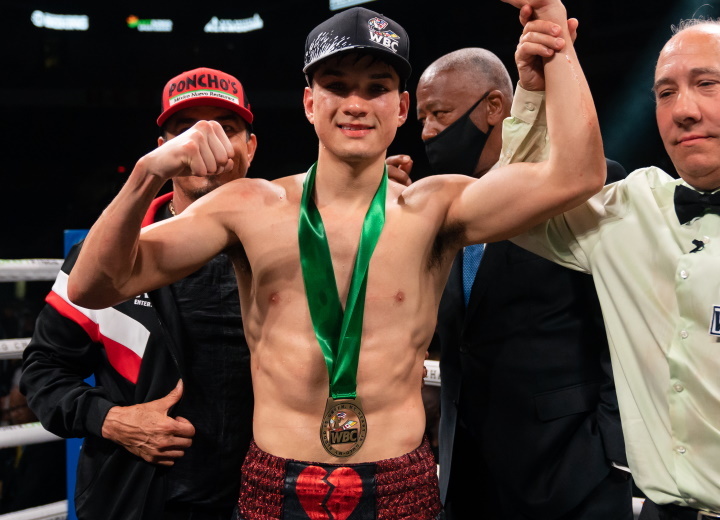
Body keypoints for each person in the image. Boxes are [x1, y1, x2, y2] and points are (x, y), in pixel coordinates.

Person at [63, 1, 606, 518]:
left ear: (401, 108)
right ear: (309, 103)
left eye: (377, 88)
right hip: (275, 482)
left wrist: (555, 34)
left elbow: (577, 175)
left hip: (401, 482)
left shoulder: (437, 207)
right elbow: (92, 286)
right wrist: (147, 172)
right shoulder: (247, 206)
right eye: (337, 86)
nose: (355, 104)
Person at [391, 44, 633, 519]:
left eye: (439, 113)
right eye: (422, 118)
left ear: (494, 107)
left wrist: (613, 449)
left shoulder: (581, 187)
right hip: (467, 473)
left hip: (570, 469)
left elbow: (624, 324)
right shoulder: (439, 211)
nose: (428, 131)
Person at [501, 14, 720, 519]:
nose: (683, 111)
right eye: (665, 93)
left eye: (707, 84)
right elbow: (515, 209)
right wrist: (534, 93)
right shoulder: (630, 210)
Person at [20, 67, 256, 520]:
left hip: (260, 498)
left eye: (226, 130)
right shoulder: (106, 258)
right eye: (186, 131)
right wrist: (111, 420)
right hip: (139, 499)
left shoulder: (290, 249)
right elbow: (43, 371)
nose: (206, 143)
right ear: (163, 148)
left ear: (251, 147)